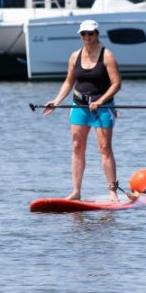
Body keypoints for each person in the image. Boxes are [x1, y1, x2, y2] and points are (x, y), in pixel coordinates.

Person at [42, 19, 124, 202]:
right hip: (79, 105)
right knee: (77, 146)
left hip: (103, 107)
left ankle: (112, 191)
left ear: (97, 34)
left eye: (90, 33)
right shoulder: (74, 56)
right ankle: (76, 191)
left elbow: (117, 84)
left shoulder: (107, 56)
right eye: (83, 34)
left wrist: (100, 101)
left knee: (104, 148)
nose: (87, 37)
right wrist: (56, 101)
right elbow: (69, 82)